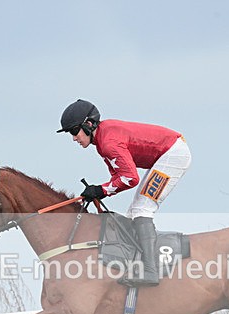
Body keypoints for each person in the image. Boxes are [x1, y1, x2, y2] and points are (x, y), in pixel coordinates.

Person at [56, 99, 191, 286]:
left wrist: (101, 190)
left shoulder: (108, 142)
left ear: (88, 124)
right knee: (134, 212)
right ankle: (141, 264)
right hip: (167, 152)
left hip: (173, 154)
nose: (73, 138)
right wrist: (100, 190)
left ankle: (150, 271)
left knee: (142, 209)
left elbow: (130, 178)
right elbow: (118, 176)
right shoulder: (102, 139)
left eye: (74, 131)